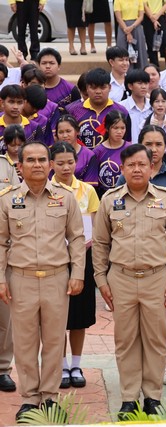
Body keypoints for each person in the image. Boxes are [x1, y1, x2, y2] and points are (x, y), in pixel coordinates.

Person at [93, 144, 166, 419]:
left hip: (157, 278)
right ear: (122, 168)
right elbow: (99, 243)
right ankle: (129, 398)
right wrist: (101, 279)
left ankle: (153, 397)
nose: (136, 169)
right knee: (126, 340)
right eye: (131, 165)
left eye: (141, 164)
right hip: (120, 278)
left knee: (156, 340)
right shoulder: (110, 200)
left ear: (150, 167)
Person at [0, 141, 85, 422]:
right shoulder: (7, 199)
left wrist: (78, 273)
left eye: (41, 160)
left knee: (52, 341)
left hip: (56, 279)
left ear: (50, 165)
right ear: (20, 167)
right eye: (30, 160)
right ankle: (29, 398)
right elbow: (0, 243)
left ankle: (49, 397)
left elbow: (76, 238)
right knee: (24, 343)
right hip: (20, 279)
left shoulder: (65, 197)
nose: (37, 164)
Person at [115, 125, 166, 387]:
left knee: (164, 319)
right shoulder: (122, 184)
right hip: (130, 263)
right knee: (130, 328)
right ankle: (133, 380)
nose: (155, 149)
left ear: (165, 147)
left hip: (164, 263)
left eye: (159, 144)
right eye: (150, 143)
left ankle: (163, 365)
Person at [49, 142, 98, 390]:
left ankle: (76, 364)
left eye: (70, 162)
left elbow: (96, 227)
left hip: (83, 259)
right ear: (51, 164)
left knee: (78, 316)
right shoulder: (46, 191)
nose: (66, 167)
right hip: (54, 260)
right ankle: (61, 364)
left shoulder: (87, 191)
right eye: (60, 163)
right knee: (55, 317)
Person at [65, 68, 130, 150]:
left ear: (110, 87)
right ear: (87, 88)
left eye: (102, 88)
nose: (98, 91)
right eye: (94, 88)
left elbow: (127, 142)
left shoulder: (121, 112)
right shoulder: (71, 110)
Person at [0, 149, 20, 394]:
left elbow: (17, 204)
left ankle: (2, 368)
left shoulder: (5, 166)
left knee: (5, 316)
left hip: (3, 248)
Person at [55, 115, 99, 186]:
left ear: (77, 131)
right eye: (61, 132)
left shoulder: (89, 155)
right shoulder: (51, 155)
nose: (65, 135)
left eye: (68, 131)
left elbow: (90, 187)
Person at [37, 49, 81, 113]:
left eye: (52, 63)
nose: (48, 66)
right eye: (44, 63)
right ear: (39, 66)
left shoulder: (71, 90)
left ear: (59, 66)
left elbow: (77, 113)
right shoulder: (34, 89)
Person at [115, 0, 148, 70]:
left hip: (136, 27)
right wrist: (128, 32)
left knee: (139, 51)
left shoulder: (139, 1)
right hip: (123, 27)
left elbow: (141, 16)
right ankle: (125, 74)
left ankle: (141, 73)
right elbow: (118, 18)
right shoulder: (118, 1)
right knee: (122, 51)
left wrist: (132, 26)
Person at [122, 69, 151, 145]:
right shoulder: (122, 107)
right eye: (140, 83)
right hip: (129, 150)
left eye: (146, 83)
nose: (144, 87)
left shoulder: (153, 106)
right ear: (130, 86)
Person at [142, 0, 166, 67]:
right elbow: (144, 5)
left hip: (161, 16)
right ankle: (154, 69)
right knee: (151, 46)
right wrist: (153, 19)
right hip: (148, 18)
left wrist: (157, 16)